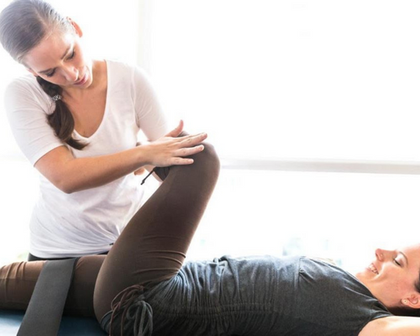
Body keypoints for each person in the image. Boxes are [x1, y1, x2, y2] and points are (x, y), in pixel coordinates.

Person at [1, 136, 420, 336]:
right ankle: (151, 161)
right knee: (26, 278)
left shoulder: (374, 322)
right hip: (169, 281)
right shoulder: (341, 278)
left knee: (201, 160)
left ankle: (147, 159)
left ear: (413, 300)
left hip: (148, 301)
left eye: (398, 261)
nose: (382, 251)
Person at [0, 0, 207, 261]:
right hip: (56, 252)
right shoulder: (22, 93)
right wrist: (142, 154)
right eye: (50, 72)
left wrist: (155, 161)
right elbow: (66, 178)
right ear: (31, 70)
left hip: (126, 244)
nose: (71, 74)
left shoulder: (130, 79)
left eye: (70, 54)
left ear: (75, 28)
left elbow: (167, 162)